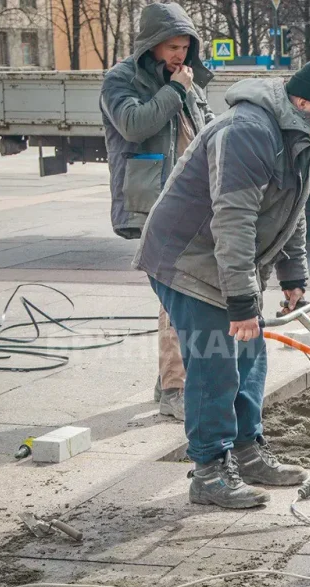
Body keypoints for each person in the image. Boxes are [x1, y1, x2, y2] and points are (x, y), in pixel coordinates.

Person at [132, 59, 310, 508]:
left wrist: (294, 278)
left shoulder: (300, 135)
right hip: (187, 258)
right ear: (303, 103)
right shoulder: (248, 132)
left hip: (224, 258)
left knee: (250, 356)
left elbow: (293, 211)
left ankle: (248, 452)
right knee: (215, 363)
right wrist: (242, 302)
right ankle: (209, 472)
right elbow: (234, 220)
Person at [100, 2, 215, 421]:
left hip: (193, 205)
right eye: (171, 46)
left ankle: (169, 381)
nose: (179, 55)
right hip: (155, 202)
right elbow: (133, 124)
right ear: (151, 45)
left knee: (178, 295)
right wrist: (177, 90)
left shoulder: (188, 83)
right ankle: (174, 389)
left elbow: (207, 131)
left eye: (185, 46)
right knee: (178, 295)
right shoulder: (122, 80)